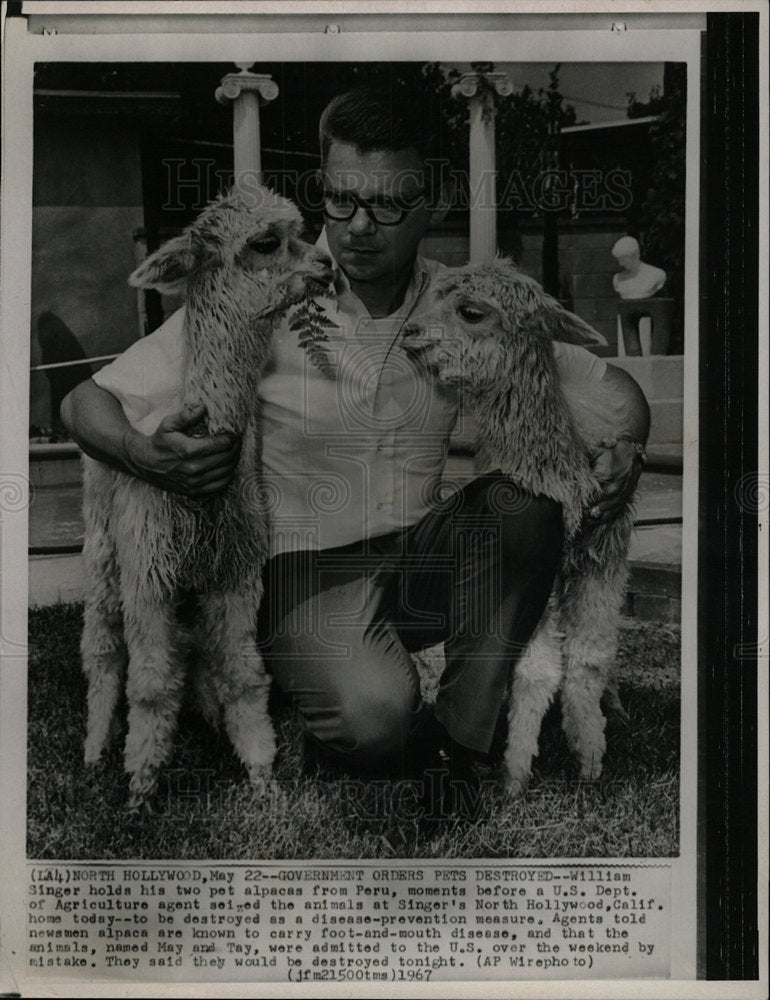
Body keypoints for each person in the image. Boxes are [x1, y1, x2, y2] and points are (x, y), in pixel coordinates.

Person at [62, 88, 649, 816]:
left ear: (431, 203)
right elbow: (84, 400)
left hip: (428, 553)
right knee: (373, 722)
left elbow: (612, 384)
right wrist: (143, 454)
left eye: (389, 206)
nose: (359, 227)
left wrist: (625, 449)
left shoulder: (464, 301)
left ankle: (461, 745)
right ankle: (354, 710)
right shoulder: (269, 292)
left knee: (523, 504)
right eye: (340, 203)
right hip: (307, 571)